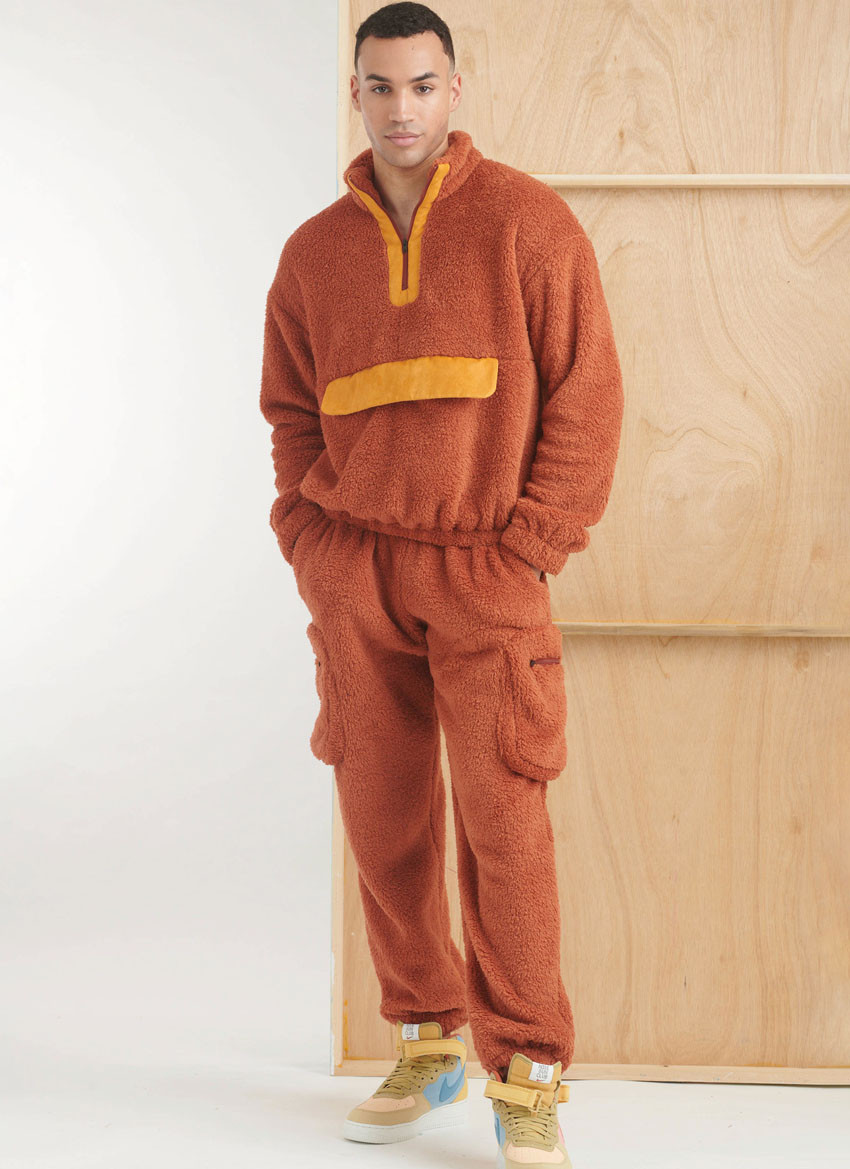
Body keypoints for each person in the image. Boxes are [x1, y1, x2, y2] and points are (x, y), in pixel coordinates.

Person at [259, 4, 624, 1166]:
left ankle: (528, 1072)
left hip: (485, 569)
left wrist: (531, 544)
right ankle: (425, 1037)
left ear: (454, 89)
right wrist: (313, 541)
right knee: (384, 813)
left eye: (421, 85)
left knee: (504, 823)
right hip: (356, 566)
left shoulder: (526, 221)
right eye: (379, 87)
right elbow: (289, 411)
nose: (401, 108)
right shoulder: (313, 252)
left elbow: (587, 392)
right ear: (355, 95)